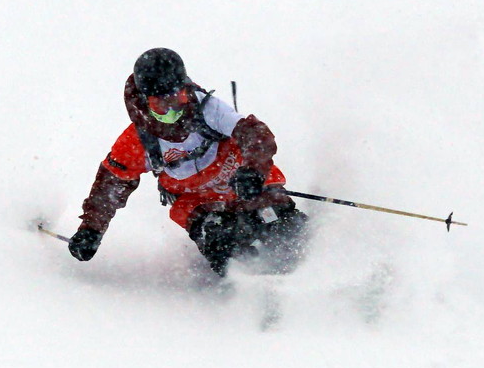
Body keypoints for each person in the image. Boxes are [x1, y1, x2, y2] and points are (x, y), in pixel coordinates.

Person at [68, 48, 308, 275]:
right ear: (145, 102)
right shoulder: (139, 140)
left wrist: (253, 171)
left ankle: (310, 274)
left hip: (241, 183)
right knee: (223, 244)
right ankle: (248, 286)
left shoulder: (208, 109)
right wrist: (91, 229)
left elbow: (255, 134)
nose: (174, 111)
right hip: (198, 202)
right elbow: (111, 184)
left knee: (283, 227)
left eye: (178, 97)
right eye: (161, 105)